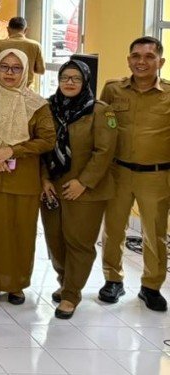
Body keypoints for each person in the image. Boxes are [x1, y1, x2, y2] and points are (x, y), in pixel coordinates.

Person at [0, 49, 55, 305]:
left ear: (25, 71)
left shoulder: (37, 104)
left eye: (16, 68)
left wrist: (12, 151)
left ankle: (16, 284)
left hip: (22, 179)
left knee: (19, 233)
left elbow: (48, 139)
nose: (9, 73)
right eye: (4, 66)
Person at [98, 36, 170, 311]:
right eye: (136, 56)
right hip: (118, 171)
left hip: (156, 176)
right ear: (129, 60)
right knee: (114, 229)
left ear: (160, 62)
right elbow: (102, 128)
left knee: (155, 233)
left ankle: (151, 286)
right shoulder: (113, 90)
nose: (142, 62)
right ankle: (112, 279)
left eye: (149, 56)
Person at [40, 60, 116, 319]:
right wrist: (44, 179)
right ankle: (64, 281)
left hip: (87, 189)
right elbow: (40, 146)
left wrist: (82, 182)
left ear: (85, 82)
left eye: (76, 78)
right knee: (55, 240)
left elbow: (104, 152)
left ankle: (71, 294)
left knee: (79, 242)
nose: (69, 82)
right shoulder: (48, 108)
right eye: (65, 78)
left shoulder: (99, 111)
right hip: (53, 187)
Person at [0, 17, 45, 90]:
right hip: (27, 89)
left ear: (8, 30)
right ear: (26, 30)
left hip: (4, 89)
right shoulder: (35, 45)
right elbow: (41, 70)